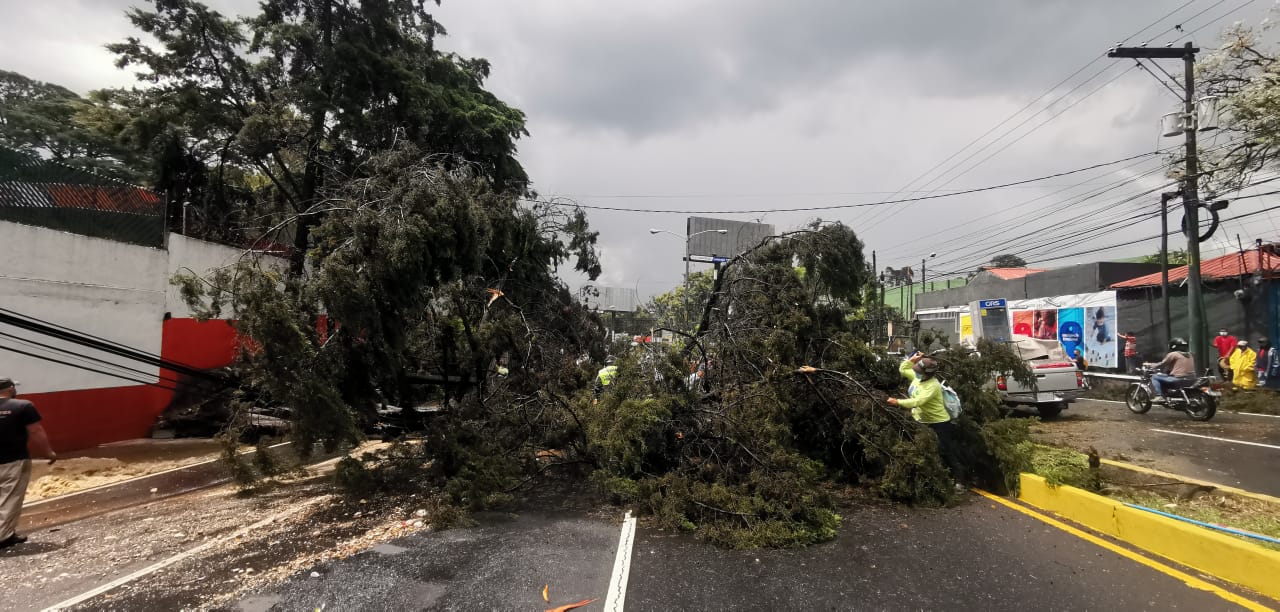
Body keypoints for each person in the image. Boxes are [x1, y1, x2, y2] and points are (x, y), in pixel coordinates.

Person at [886, 352, 965, 489]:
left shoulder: (933, 386)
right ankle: (931, 476)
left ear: (927, 374)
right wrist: (912, 360)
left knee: (945, 450)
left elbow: (918, 401)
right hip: (921, 420)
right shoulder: (917, 379)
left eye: (918, 371)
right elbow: (903, 369)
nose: (915, 372)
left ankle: (959, 480)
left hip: (939, 422)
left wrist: (897, 401)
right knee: (922, 448)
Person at [1, 377, 56, 549]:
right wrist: (49, 452)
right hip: (14, 459)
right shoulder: (23, 406)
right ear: (10, 389)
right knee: (10, 497)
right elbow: (35, 430)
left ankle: (6, 531)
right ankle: (3, 536)